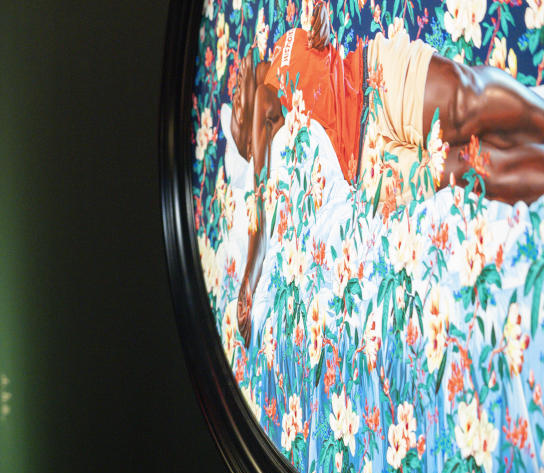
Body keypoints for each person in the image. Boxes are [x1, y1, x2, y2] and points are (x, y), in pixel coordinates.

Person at [231, 0, 544, 344]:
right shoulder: (264, 102)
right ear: (248, 136)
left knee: (465, 101)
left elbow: (319, 44)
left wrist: (321, 22)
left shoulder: (284, 43)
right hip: (369, 169)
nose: (237, 86)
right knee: (471, 167)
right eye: (236, 107)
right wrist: (250, 274)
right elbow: (259, 194)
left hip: (372, 80)